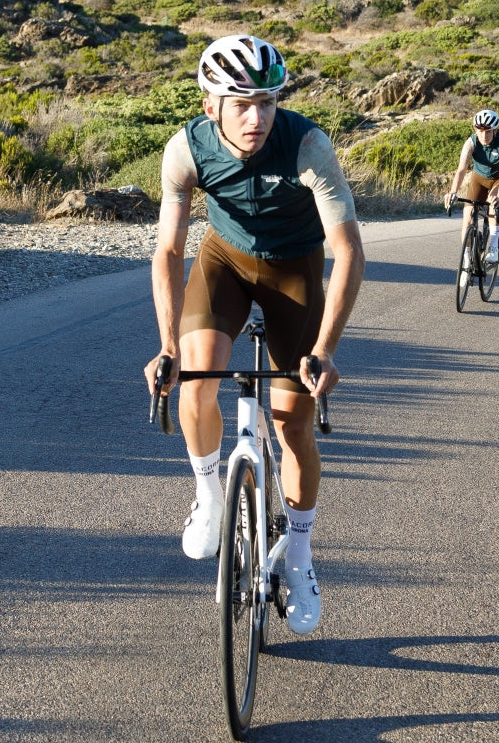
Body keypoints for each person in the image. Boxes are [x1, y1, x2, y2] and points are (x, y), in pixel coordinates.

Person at [144, 34, 366, 637]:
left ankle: (298, 558)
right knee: (195, 385)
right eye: (240, 103)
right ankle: (210, 495)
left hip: (295, 269)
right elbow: (168, 250)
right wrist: (167, 344)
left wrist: (324, 352)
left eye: (267, 102)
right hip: (225, 262)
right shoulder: (185, 150)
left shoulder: (308, 145)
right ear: (209, 103)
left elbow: (347, 255)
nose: (256, 117)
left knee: (293, 422)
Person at [444, 108, 499, 264]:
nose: (484, 136)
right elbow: (462, 169)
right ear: (475, 129)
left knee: (492, 205)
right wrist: (453, 192)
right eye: (480, 131)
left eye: (488, 131)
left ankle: (494, 248)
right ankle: (466, 258)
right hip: (479, 178)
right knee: (467, 215)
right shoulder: (471, 142)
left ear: (495, 131)